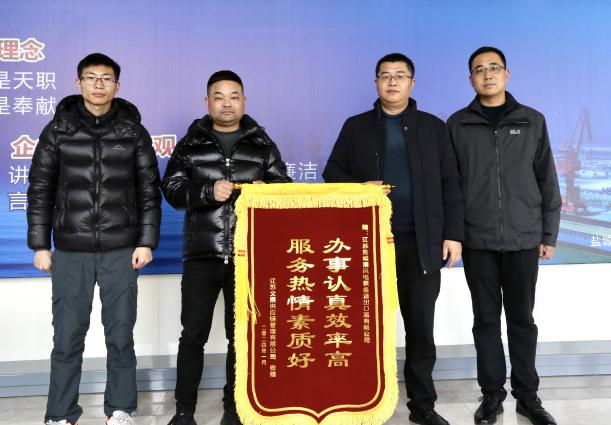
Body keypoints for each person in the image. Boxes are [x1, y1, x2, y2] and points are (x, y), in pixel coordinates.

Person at [323, 53, 464, 425]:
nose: (392, 82)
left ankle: (422, 405)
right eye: (385, 76)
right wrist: (360, 187)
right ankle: (360, 400)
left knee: (420, 328)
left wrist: (453, 234)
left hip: (421, 244)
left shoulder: (433, 128)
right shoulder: (356, 127)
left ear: (412, 83)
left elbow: (451, 184)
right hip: (368, 245)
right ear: (376, 83)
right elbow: (331, 172)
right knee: (363, 326)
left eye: (400, 76)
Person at [27, 52, 162, 425]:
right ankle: (61, 414)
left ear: (117, 85)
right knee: (67, 336)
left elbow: (149, 191)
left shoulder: (133, 133)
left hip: (122, 249)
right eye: (91, 77)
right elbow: (40, 189)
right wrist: (40, 245)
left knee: (120, 334)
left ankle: (120, 409)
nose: (98, 84)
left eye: (106, 78)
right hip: (71, 250)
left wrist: (146, 242)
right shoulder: (58, 131)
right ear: (78, 83)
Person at [161, 70, 291, 425]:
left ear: (244, 101)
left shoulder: (262, 144)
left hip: (249, 256)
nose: (227, 103)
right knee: (193, 336)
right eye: (219, 97)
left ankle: (234, 408)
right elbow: (171, 190)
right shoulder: (191, 143)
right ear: (207, 102)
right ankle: (184, 411)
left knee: (241, 337)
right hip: (201, 254)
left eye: (234, 96)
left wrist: (268, 191)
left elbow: (286, 188)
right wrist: (207, 192)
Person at [446, 46, 561, 425]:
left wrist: (548, 232)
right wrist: (454, 234)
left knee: (522, 321)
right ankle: (492, 395)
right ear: (471, 79)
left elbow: (547, 179)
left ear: (506, 74)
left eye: (494, 67)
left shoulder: (532, 120)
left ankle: (527, 396)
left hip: (523, 238)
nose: (488, 74)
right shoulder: (457, 124)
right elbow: (451, 185)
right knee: (485, 321)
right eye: (479, 69)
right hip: (477, 240)